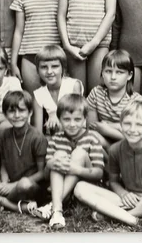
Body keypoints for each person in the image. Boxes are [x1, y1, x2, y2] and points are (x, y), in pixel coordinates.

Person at [74, 99, 142, 231]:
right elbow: (113, 182)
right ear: (121, 125)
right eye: (127, 124)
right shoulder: (115, 150)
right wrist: (124, 193)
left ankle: (113, 216)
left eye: (139, 125)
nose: (132, 129)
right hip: (127, 199)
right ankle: (136, 220)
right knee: (80, 188)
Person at [0, 91, 48, 214]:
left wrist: (13, 185)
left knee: (24, 184)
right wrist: (4, 183)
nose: (17, 115)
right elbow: (4, 163)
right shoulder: (4, 134)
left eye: (21, 111)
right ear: (5, 114)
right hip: (11, 185)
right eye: (11, 111)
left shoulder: (37, 138)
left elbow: (42, 173)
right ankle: (15, 206)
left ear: (30, 112)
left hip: (30, 186)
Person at [36, 94, 105, 229]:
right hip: (62, 192)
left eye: (77, 119)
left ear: (85, 119)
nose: (72, 124)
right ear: (59, 119)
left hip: (85, 189)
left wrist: (75, 169)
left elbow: (99, 174)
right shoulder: (56, 139)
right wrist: (50, 164)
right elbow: (45, 176)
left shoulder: (92, 138)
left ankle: (53, 205)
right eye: (66, 119)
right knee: (59, 155)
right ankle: (57, 211)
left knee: (79, 153)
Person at [10, 0, 61, 92]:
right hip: (30, 58)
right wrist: (14, 62)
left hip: (56, 57)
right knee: (33, 102)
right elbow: (18, 31)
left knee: (57, 104)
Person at [87, 50, 142, 151]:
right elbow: (93, 127)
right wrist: (119, 127)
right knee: (91, 137)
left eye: (119, 72)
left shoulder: (136, 101)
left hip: (128, 147)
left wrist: (108, 129)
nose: (113, 77)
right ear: (102, 73)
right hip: (102, 144)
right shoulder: (96, 93)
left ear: (129, 75)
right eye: (108, 71)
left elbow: (137, 137)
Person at [32, 45, 83, 135]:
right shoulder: (38, 95)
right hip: (53, 137)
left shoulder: (73, 85)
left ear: (63, 68)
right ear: (37, 70)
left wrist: (58, 117)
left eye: (55, 66)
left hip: (75, 133)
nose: (49, 71)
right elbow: (38, 133)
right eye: (44, 67)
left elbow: (78, 117)